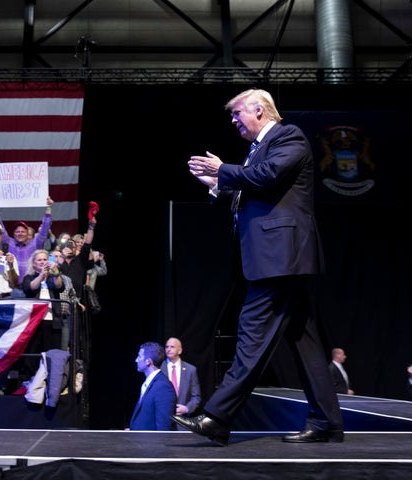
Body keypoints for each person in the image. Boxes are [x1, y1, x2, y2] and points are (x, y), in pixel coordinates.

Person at [176, 88, 343, 445]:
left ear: (259, 110)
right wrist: (218, 184)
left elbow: (268, 177)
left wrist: (223, 170)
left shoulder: (288, 136)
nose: (234, 120)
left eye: (237, 114)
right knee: (306, 344)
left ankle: (217, 417)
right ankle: (327, 422)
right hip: (279, 259)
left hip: (281, 258)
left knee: (252, 336)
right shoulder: (257, 150)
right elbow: (256, 191)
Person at [0, 195, 54, 296]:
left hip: (31, 288)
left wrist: (48, 208)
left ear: (27, 233)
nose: (20, 233)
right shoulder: (9, 243)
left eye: (23, 232)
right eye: (17, 231)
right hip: (13, 289)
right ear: (14, 234)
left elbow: (45, 229)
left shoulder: (35, 244)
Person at [128, 341, 176, 431]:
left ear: (148, 361)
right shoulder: (150, 382)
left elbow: (163, 428)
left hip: (150, 444)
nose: (136, 360)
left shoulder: (163, 387)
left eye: (139, 356)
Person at [163, 337, 202, 422]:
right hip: (163, 419)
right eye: (167, 347)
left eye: (172, 347)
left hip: (183, 421)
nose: (168, 349)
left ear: (179, 351)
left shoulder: (190, 370)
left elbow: (196, 397)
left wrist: (187, 408)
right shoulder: (159, 368)